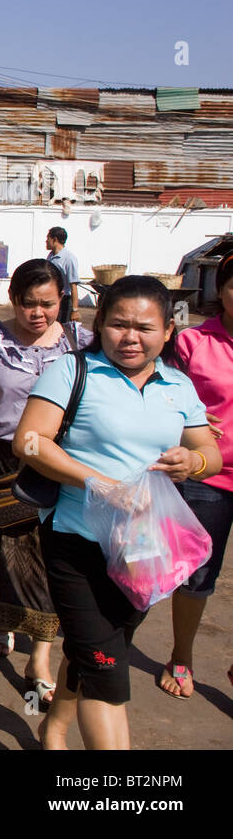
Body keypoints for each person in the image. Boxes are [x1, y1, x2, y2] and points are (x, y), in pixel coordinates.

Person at [14, 276, 221, 749]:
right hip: (76, 541)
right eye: (118, 324)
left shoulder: (178, 386)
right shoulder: (72, 371)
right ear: (99, 324)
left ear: (169, 331)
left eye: (145, 327)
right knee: (108, 674)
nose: (131, 337)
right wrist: (99, 483)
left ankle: (53, 729)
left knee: (97, 650)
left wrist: (195, 461)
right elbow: (29, 440)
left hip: (145, 548)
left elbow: (209, 451)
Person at [0, 259, 93, 707]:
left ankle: (40, 660)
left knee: (46, 555)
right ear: (15, 300)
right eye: (28, 303)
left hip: (57, 461)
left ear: (63, 300)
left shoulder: (78, 343)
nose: (38, 313)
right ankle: (5, 620)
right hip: (3, 460)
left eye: (48, 303)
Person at [160, 252, 233, 698]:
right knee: (197, 573)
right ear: (220, 289)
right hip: (207, 476)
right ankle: (182, 655)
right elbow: (164, 398)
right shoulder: (193, 343)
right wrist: (189, 426)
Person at [45, 227, 81, 324]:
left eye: (48, 238)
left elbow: (73, 286)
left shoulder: (69, 259)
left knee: (62, 329)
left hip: (65, 301)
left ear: (55, 239)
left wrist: (75, 310)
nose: (46, 241)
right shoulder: (50, 256)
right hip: (53, 297)